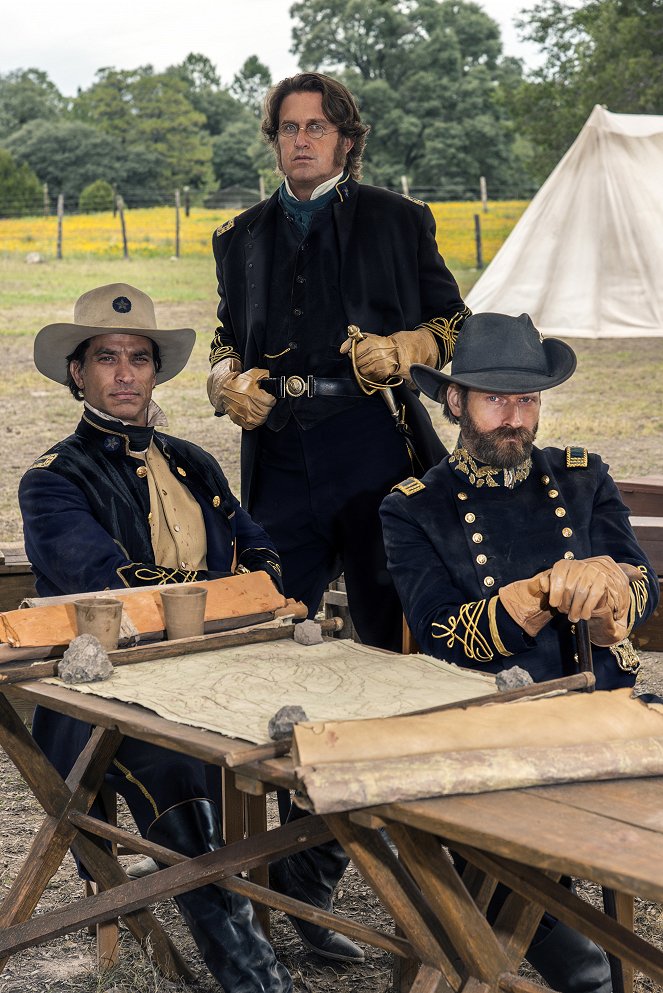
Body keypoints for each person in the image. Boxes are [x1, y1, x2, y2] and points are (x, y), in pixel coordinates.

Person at [206, 70, 469, 963]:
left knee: (393, 652)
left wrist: (410, 346)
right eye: (287, 128)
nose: (302, 140)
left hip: (372, 446)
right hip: (277, 456)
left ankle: (331, 877)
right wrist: (220, 378)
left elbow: (456, 324)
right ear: (273, 140)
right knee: (272, 649)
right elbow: (225, 334)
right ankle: (284, 867)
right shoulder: (239, 235)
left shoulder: (400, 220)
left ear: (347, 139)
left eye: (319, 126)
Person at [19, 283, 292, 993]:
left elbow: (258, 551)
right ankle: (255, 979)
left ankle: (315, 909)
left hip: (220, 674)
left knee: (321, 743)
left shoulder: (194, 461)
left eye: (137, 357)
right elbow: (111, 583)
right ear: (76, 372)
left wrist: (251, 584)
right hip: (110, 701)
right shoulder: (50, 481)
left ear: (153, 370)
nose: (123, 373)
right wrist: (234, 596)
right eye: (105, 357)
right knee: (174, 774)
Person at [380, 310, 659, 993]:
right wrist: (533, 592)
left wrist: (612, 609)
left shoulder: (581, 476)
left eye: (527, 398)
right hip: (486, 716)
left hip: (599, 703)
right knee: (579, 960)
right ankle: (556, 945)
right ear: (454, 401)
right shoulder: (413, 507)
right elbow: (442, 629)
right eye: (495, 397)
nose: (515, 416)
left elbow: (640, 583)